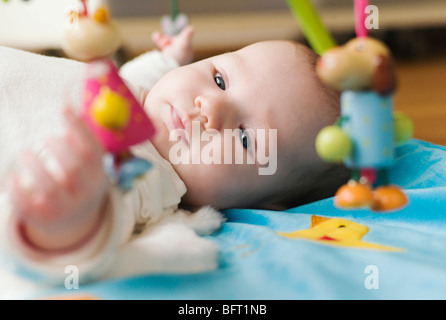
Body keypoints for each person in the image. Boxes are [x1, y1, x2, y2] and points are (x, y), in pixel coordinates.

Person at [1, 26, 348, 283]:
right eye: (220, 79)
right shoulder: (139, 94)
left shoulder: (144, 178)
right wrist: (167, 59)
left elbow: (100, 229)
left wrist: (64, 219)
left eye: (244, 137)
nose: (210, 107)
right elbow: (135, 78)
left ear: (257, 203)